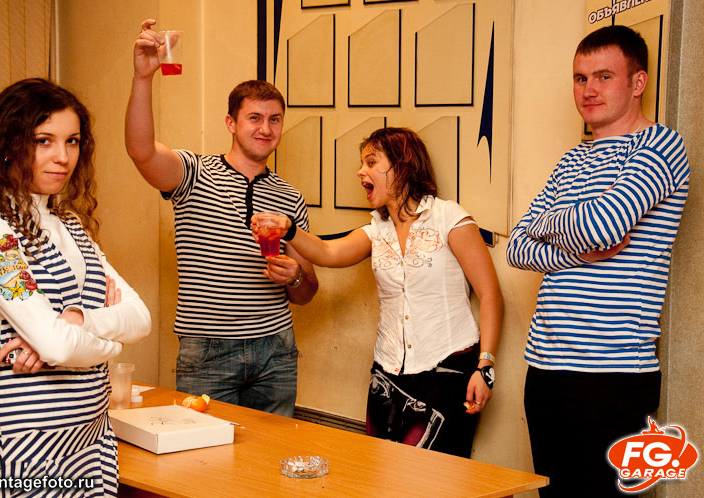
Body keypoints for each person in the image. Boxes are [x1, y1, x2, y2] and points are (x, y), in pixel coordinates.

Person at [506, 25, 690, 498]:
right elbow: (516, 247)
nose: (589, 89)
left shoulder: (660, 146)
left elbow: (601, 227)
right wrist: (577, 242)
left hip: (613, 374)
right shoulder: (572, 160)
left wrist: (550, 224)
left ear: (637, 82)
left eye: (604, 76)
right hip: (544, 368)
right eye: (580, 78)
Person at [0, 78, 151, 497]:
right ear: (7, 145)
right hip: (25, 442)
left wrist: (79, 320)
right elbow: (58, 346)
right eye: (44, 141)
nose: (63, 157)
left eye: (72, 141)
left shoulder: (70, 225)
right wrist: (110, 343)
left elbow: (140, 318)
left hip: (91, 437)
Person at [252, 127, 503, 457]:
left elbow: (490, 295)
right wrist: (289, 229)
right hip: (387, 374)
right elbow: (328, 253)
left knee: (438, 479)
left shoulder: (448, 217)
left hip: (446, 372)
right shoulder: (376, 230)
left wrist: (485, 368)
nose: (361, 172)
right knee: (381, 475)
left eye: (371, 163)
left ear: (402, 165)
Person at [126, 19, 318, 417]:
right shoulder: (193, 173)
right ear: (231, 123)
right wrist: (143, 78)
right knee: (203, 450)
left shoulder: (290, 197)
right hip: (208, 351)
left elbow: (307, 291)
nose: (266, 128)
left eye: (275, 119)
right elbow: (141, 150)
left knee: (274, 450)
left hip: (277, 349)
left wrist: (295, 277)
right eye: (254, 118)